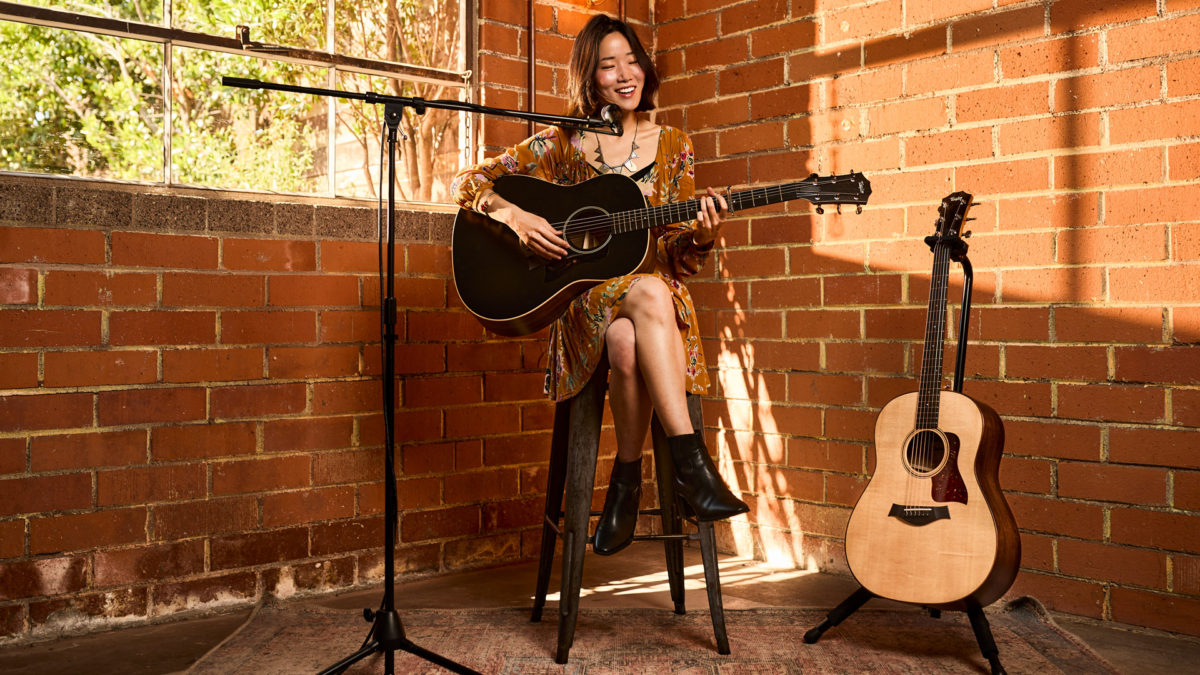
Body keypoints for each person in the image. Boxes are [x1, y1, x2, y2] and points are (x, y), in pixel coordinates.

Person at [451, 13, 747, 556]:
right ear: (591, 78)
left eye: (632, 60)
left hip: (650, 311)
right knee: (647, 297)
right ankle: (690, 466)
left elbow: (677, 260)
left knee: (633, 329)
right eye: (610, 65)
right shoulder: (563, 142)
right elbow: (467, 181)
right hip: (584, 302)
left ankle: (626, 485)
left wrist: (703, 238)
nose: (625, 73)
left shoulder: (676, 144)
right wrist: (516, 217)